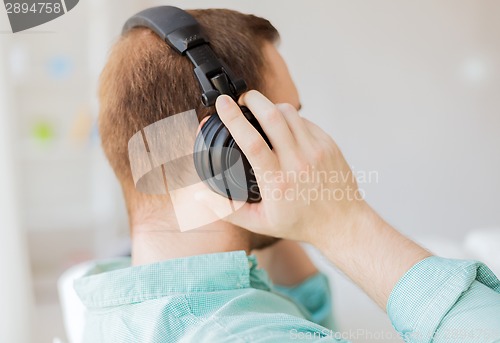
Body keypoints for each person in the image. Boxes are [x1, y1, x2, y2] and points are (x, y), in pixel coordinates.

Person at [75, 7, 500, 343]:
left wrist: (275, 205)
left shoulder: (121, 307)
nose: (307, 142)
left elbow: (307, 317)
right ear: (232, 147)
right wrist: (344, 223)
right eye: (290, 120)